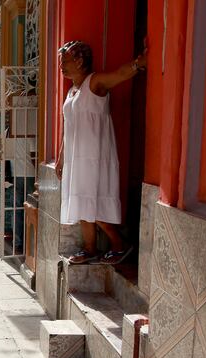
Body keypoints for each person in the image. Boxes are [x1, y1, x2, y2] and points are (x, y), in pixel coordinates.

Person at [56, 40, 146, 265]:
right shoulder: (72, 91)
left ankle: (120, 244)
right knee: (81, 202)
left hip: (95, 155)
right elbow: (68, 126)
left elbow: (119, 74)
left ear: (79, 61)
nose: (61, 66)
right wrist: (61, 156)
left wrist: (137, 64)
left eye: (65, 61)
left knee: (92, 202)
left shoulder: (94, 82)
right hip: (76, 157)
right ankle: (90, 249)